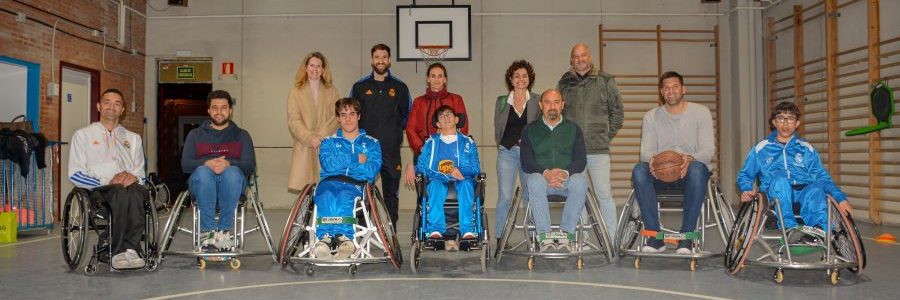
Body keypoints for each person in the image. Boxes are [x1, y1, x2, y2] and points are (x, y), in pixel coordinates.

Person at [737, 101, 853, 245]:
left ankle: (820, 231)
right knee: (780, 178)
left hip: (802, 193)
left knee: (816, 188)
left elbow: (822, 177)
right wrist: (746, 189)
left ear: (797, 123)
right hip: (774, 195)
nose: (785, 124)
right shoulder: (761, 148)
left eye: (790, 119)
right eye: (781, 118)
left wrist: (840, 198)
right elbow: (745, 175)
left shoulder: (806, 149)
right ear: (774, 122)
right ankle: (790, 228)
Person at [631, 71, 715, 254]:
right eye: (666, 88)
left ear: (683, 89)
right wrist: (653, 161)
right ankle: (655, 238)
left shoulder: (701, 112)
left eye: (675, 86)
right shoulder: (651, 116)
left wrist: (690, 158)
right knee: (639, 170)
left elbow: (708, 151)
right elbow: (644, 152)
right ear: (662, 92)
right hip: (660, 174)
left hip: (690, 174)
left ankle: (686, 238)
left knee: (698, 169)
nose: (671, 91)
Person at [68, 88, 147, 269]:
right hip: (98, 190)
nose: (112, 107)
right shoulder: (83, 135)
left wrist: (133, 177)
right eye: (107, 102)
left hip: (128, 187)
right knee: (119, 191)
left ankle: (132, 249)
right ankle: (117, 251)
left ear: (122, 110)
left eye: (117, 104)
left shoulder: (133, 138)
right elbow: (75, 173)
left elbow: (140, 172)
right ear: (99, 106)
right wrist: (108, 180)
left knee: (135, 191)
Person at [557, 43, 623, 240]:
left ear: (590, 57)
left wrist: (605, 135)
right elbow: (557, 114)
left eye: (583, 55)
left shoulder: (605, 81)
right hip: (573, 152)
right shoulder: (564, 83)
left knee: (604, 195)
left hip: (598, 151)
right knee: (578, 196)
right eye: (575, 57)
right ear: (571, 60)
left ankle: (612, 239)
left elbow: (617, 113)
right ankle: (582, 240)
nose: (580, 60)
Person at [181, 90, 256, 251]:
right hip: (202, 186)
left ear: (230, 110)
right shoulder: (195, 135)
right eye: (214, 107)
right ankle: (208, 233)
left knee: (233, 173)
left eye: (223, 107)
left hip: (232, 186)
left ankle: (223, 232)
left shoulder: (242, 136)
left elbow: (249, 165)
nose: (219, 111)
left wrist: (229, 163)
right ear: (208, 111)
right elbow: (185, 165)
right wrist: (206, 163)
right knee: (202, 172)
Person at [520, 89, 589, 253]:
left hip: (567, 180)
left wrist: (564, 173)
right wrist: (546, 173)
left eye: (556, 102)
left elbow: (581, 160)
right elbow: (526, 161)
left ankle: (567, 234)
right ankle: (544, 236)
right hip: (541, 181)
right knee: (534, 180)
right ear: (540, 105)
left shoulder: (574, 129)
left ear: (563, 105)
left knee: (580, 180)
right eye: (548, 102)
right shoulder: (530, 130)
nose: (552, 106)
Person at [312, 97, 382, 259]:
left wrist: (342, 162)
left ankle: (344, 239)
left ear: (359, 116)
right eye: (343, 115)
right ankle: (326, 238)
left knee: (344, 196)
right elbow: (328, 165)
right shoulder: (329, 142)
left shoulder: (372, 143)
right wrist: (356, 158)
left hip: (356, 184)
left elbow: (371, 170)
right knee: (326, 195)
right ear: (338, 118)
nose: (348, 118)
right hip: (330, 181)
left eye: (352, 114)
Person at [350, 44, 411, 227]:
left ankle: (390, 235)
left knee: (391, 195)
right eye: (377, 57)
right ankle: (361, 233)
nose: (381, 61)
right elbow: (351, 116)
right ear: (372, 60)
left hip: (391, 151)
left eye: (384, 57)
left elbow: (406, 115)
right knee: (362, 193)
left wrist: (393, 133)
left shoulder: (400, 88)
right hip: (365, 151)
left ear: (389, 60)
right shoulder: (359, 87)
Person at [416, 105, 480, 252]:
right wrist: (447, 173)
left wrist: (460, 170)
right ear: (438, 124)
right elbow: (422, 167)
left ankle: (467, 231)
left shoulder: (468, 143)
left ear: (456, 119)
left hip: (462, 179)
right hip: (438, 179)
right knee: (436, 186)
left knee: (466, 185)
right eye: (441, 116)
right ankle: (436, 231)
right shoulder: (431, 143)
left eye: (449, 114)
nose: (446, 117)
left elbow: (475, 167)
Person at [493, 60, 541, 238]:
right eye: (517, 76)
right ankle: (501, 237)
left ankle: (533, 237)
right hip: (507, 152)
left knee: (530, 195)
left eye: (524, 76)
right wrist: (506, 146)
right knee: (505, 197)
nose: (521, 79)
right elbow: (498, 128)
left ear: (529, 79)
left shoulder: (537, 100)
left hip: (529, 154)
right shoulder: (502, 101)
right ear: (511, 80)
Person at [405, 63, 469, 187]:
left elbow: (463, 126)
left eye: (440, 76)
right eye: (433, 76)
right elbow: (410, 128)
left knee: (451, 191)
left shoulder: (456, 99)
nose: (437, 79)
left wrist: (451, 145)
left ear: (445, 79)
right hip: (424, 153)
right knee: (424, 194)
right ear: (428, 79)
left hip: (451, 153)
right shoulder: (418, 102)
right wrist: (421, 148)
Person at [288, 51, 340, 191]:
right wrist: (310, 138)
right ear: (306, 68)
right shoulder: (295, 92)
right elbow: (294, 120)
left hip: (325, 146)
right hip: (304, 146)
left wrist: (320, 137)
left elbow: (337, 117)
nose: (315, 69)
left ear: (323, 70)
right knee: (305, 192)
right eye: (312, 65)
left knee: (326, 190)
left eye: (318, 66)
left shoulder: (332, 91)